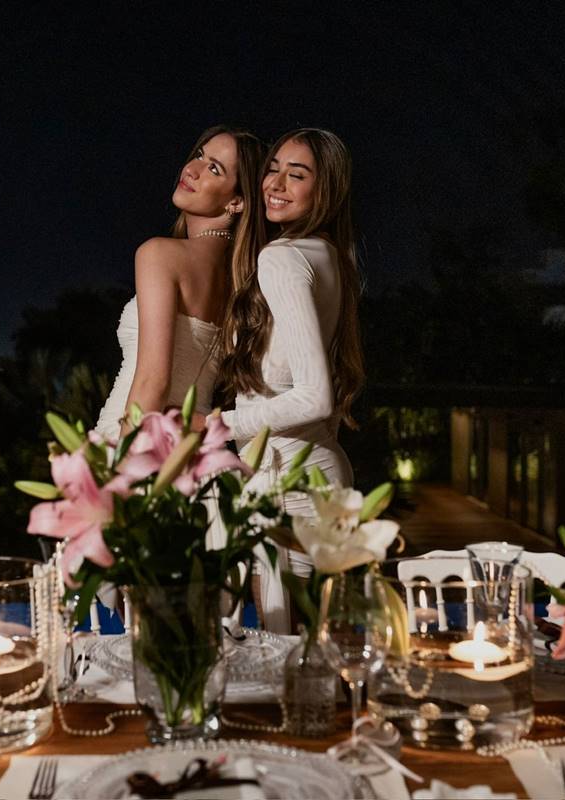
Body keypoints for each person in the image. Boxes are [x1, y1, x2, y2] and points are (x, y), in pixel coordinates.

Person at [216, 128, 365, 631]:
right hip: (318, 475)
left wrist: (220, 426)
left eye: (296, 174)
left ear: (325, 190)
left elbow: (314, 397)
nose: (275, 183)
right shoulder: (332, 257)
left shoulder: (282, 258)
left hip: (288, 481)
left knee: (288, 660)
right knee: (316, 654)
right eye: (273, 168)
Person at [93, 126, 266, 441]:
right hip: (189, 455)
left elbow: (152, 384)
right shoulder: (242, 282)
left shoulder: (159, 254)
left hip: (133, 441)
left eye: (214, 168)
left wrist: (122, 472)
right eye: (199, 156)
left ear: (237, 202)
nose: (192, 169)